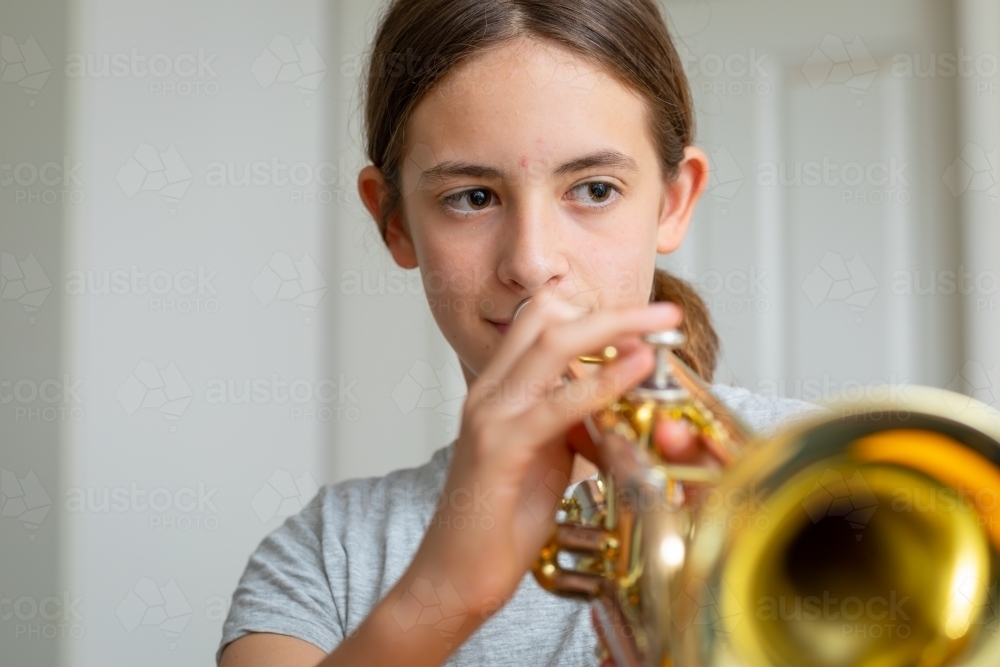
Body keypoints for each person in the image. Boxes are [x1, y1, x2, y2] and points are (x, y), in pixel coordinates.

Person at [217, 1, 820, 665]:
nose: (532, 262)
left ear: (674, 202)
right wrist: (444, 594)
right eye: (473, 197)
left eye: (593, 189)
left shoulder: (840, 480)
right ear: (393, 221)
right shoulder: (322, 558)